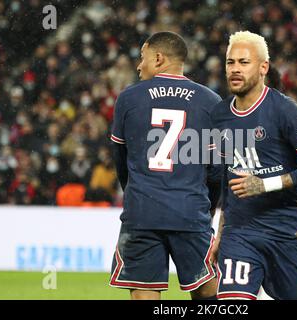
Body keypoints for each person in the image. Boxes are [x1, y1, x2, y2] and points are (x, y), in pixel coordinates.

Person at [211, 31, 297, 300]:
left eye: (244, 62)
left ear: (263, 67)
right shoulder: (219, 115)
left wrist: (265, 184)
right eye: (231, 62)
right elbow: (225, 181)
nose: (235, 69)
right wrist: (220, 233)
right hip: (240, 233)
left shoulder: (284, 110)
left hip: (287, 232)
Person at [109, 31, 221, 300]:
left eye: (142, 57)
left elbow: (120, 162)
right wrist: (207, 206)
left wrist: (136, 193)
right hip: (191, 212)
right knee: (208, 290)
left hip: (142, 213)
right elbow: (217, 172)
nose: (138, 65)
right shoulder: (210, 102)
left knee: (144, 293)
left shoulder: (129, 98)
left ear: (158, 58)